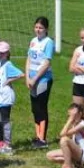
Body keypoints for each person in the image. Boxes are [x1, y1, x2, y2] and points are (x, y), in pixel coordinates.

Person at [0, 41, 25, 156]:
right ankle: (3, 143)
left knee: (5, 120)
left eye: (2, 53)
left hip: (5, 97)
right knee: (0, 119)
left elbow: (21, 74)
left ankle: (8, 144)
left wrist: (10, 80)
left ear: (6, 53)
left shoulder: (8, 65)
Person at [25, 16, 55, 148]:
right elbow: (29, 59)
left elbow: (47, 63)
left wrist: (35, 78)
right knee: (34, 108)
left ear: (46, 29)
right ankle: (37, 135)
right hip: (31, 79)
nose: (38, 30)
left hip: (43, 79)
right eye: (36, 27)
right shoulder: (33, 41)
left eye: (41, 28)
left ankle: (42, 138)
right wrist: (27, 77)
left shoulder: (48, 42)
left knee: (41, 107)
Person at [47, 103, 84, 168]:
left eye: (74, 115)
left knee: (64, 140)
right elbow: (62, 133)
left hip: (83, 153)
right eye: (70, 115)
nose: (73, 117)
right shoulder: (74, 124)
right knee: (49, 156)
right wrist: (70, 120)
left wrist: (70, 120)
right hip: (76, 152)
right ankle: (74, 165)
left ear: (80, 114)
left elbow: (63, 135)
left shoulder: (83, 124)